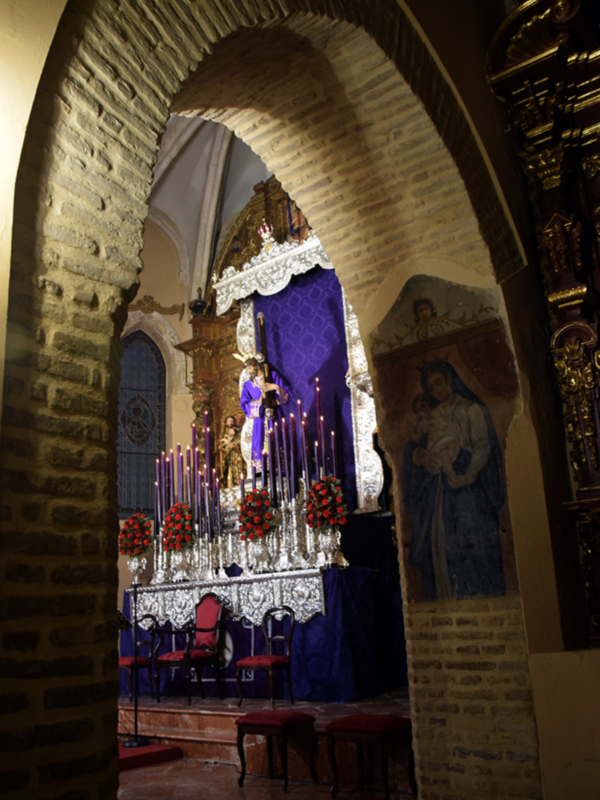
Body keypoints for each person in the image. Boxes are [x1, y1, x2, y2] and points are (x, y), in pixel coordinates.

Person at [402, 361, 506, 601]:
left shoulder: (471, 409)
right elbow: (416, 446)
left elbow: (482, 448)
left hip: (467, 486)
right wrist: (420, 455)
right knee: (440, 545)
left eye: (440, 383)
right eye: (431, 387)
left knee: (473, 545)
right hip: (439, 491)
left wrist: (466, 476)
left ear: (450, 381)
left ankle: (482, 601)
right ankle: (447, 599)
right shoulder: (431, 415)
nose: (436, 390)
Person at [240, 357, 292, 468]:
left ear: (257, 365)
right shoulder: (248, 385)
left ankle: (280, 466)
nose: (249, 370)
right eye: (247, 369)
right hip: (260, 417)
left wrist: (275, 387)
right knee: (260, 440)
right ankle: (262, 467)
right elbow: (244, 404)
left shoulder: (273, 376)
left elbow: (287, 394)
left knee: (277, 437)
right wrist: (258, 403)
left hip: (275, 413)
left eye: (250, 367)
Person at [219, 415, 243, 488]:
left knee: (237, 468)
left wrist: (235, 444)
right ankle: (230, 484)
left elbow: (241, 440)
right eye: (229, 421)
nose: (230, 423)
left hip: (236, 454)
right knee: (228, 468)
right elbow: (224, 445)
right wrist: (222, 447)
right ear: (226, 423)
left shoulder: (238, 431)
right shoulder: (225, 433)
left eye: (232, 421)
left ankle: (238, 482)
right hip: (228, 455)